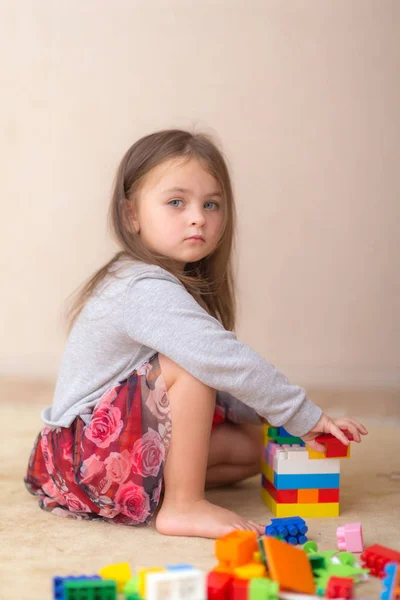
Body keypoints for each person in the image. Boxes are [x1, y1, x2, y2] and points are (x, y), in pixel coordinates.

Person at [24, 129, 368, 539]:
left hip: (94, 460)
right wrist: (302, 413)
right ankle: (184, 506)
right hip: (82, 461)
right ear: (131, 215)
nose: (198, 217)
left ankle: (161, 491)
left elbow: (229, 382)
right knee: (190, 366)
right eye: (176, 202)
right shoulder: (141, 288)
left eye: (211, 204)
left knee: (253, 450)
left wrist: (288, 423)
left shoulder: (166, 280)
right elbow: (222, 360)